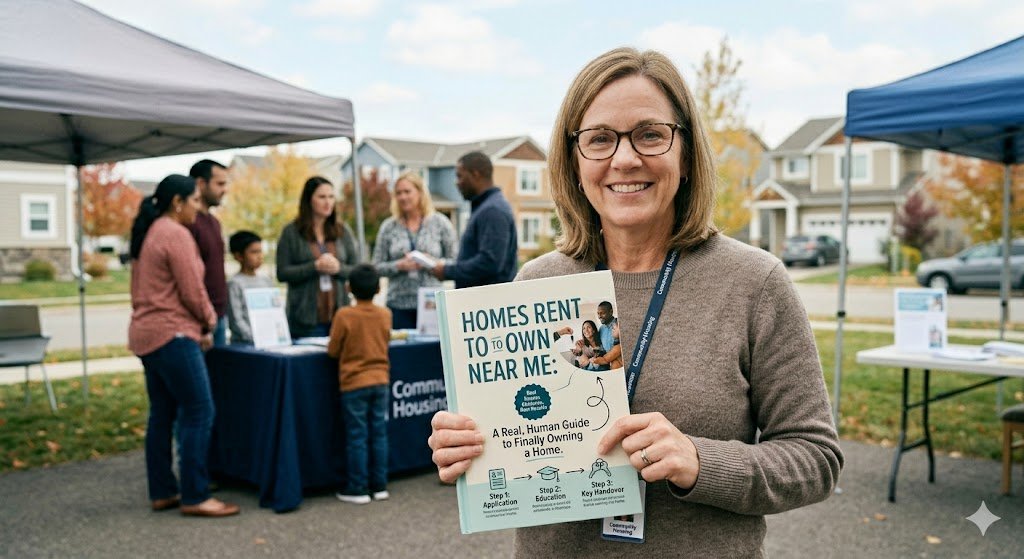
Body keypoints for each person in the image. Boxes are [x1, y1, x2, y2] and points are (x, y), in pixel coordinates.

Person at [428, 47, 842, 557]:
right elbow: (512, 448)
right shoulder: (536, 283)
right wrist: (466, 448)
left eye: (650, 134)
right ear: (574, 160)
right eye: (599, 139)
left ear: (685, 153)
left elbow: (816, 457)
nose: (624, 159)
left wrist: (699, 460)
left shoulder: (753, 283)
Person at [128, 174, 240, 518]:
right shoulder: (176, 234)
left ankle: (163, 492)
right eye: (193, 200)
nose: (197, 207)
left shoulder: (152, 232)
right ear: (177, 202)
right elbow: (193, 290)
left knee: (162, 413)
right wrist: (209, 321)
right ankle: (195, 494)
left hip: (148, 335)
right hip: (173, 335)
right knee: (199, 410)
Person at [327, 264, 392, 505]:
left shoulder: (344, 315)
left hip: (354, 382)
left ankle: (358, 487)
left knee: (357, 435)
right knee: (379, 433)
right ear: (378, 288)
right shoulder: (385, 314)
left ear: (348, 288)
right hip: (381, 380)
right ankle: (380, 485)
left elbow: (333, 350)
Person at [373, 171, 457, 329]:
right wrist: (399, 265)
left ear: (420, 193)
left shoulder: (440, 223)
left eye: (407, 191)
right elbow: (377, 266)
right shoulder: (388, 227)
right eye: (398, 193)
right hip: (398, 305)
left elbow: (455, 262)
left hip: (432, 303)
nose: (403, 197)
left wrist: (434, 263)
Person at [277, 176, 359, 338]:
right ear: (309, 200)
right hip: (304, 320)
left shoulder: (342, 231)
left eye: (331, 197)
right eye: (322, 197)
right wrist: (314, 267)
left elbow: (356, 270)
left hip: (339, 317)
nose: (328, 202)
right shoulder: (291, 232)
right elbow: (282, 273)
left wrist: (338, 268)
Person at [431, 151, 517, 288]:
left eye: (460, 176)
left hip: (487, 302)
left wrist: (447, 270)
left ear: (476, 174)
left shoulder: (492, 210)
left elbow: (490, 262)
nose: (456, 183)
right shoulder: (485, 207)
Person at [187, 160, 230, 346]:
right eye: (219, 184)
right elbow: (189, 276)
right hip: (200, 319)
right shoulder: (189, 223)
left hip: (219, 314)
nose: (225, 189)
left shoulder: (214, 222)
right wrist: (203, 322)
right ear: (201, 184)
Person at [226, 230, 272, 345]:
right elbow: (236, 320)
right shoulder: (234, 284)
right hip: (244, 344)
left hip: (268, 342)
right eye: (254, 252)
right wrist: (255, 337)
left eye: (260, 251)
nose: (260, 256)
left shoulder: (266, 281)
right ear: (239, 256)